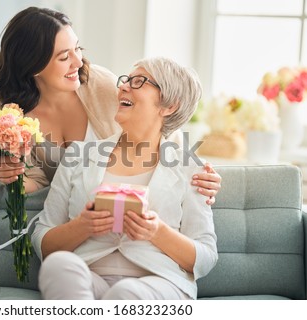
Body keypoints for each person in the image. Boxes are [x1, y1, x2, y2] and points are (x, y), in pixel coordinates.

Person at [0, 6, 221, 204]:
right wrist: (11, 176)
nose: (78, 62)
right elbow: (36, 183)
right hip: (70, 211)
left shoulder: (99, 84)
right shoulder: (9, 112)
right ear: (33, 66)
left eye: (77, 49)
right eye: (63, 57)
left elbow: (160, 128)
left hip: (123, 202)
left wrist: (196, 175)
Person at [31, 56, 218, 300]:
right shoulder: (79, 155)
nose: (123, 87)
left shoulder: (190, 168)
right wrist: (82, 226)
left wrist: (156, 232)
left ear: (169, 105)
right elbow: (42, 239)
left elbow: (205, 257)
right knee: (59, 266)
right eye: (126, 80)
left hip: (160, 282)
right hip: (88, 277)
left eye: (139, 81)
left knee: (126, 292)